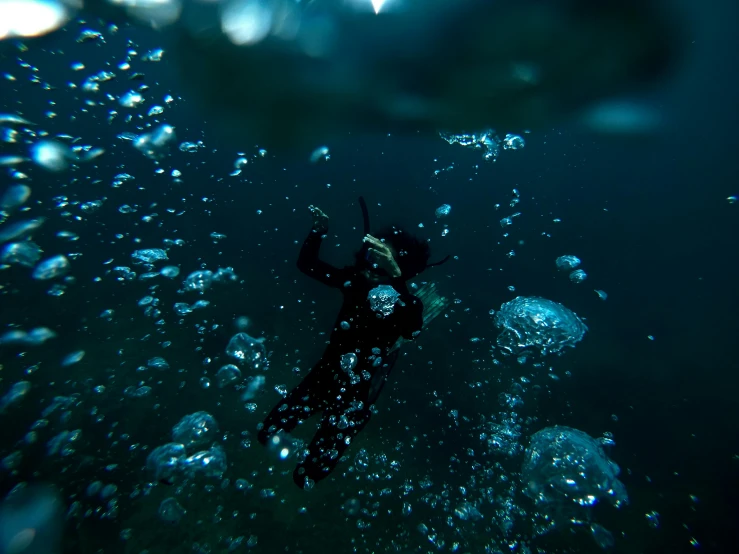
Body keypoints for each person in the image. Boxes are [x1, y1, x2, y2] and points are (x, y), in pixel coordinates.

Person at [257, 202, 434, 489]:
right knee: (266, 434)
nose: (373, 266)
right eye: (371, 256)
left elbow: (411, 328)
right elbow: (308, 265)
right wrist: (318, 232)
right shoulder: (355, 282)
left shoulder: (404, 300)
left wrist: (397, 278)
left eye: (385, 261)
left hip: (358, 394)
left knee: (308, 475)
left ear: (401, 267)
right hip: (325, 374)